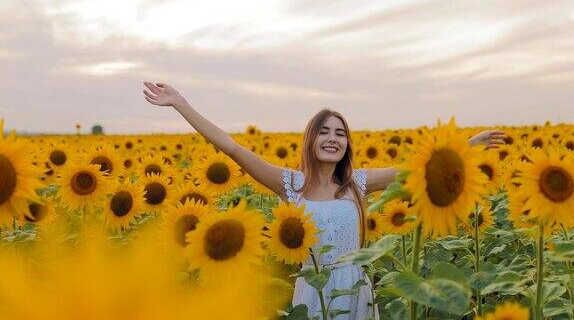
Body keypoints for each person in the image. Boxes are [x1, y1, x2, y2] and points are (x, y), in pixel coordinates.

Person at [142, 81, 506, 319]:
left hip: (355, 288)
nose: (333, 139)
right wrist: (181, 104)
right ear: (311, 140)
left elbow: (415, 167)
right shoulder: (290, 185)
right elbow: (234, 149)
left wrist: (468, 145)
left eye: (341, 134)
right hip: (313, 289)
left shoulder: (357, 184)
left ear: (347, 143)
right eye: (325, 132)